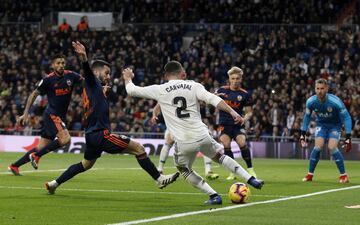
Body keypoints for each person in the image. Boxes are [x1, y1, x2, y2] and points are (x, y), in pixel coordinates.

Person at [45, 42, 179, 194]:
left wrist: (102, 92)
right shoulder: (91, 80)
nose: (109, 77)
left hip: (91, 135)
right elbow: (88, 72)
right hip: (101, 134)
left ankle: (54, 183)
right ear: (97, 73)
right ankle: (159, 179)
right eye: (106, 73)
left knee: (85, 164)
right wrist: (84, 57)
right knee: (139, 149)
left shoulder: (94, 88)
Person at [123, 60, 264, 205]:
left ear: (166, 75)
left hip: (184, 141)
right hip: (202, 135)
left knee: (183, 168)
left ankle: (214, 195)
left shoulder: (160, 89)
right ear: (182, 73)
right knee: (220, 157)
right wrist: (234, 113)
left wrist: (128, 77)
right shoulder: (194, 85)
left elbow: (131, 90)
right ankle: (251, 179)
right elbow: (213, 99)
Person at [8, 54, 83, 175]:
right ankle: (36, 156)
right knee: (65, 139)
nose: (61, 65)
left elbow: (86, 82)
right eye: (58, 63)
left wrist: (99, 87)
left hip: (58, 116)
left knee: (41, 147)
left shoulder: (71, 75)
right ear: (53, 65)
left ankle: (14, 166)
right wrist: (25, 113)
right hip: (52, 115)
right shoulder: (48, 79)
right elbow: (33, 95)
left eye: (63, 63)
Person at [300, 78, 352, 183]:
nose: (320, 91)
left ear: (327, 88)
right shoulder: (311, 101)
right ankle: (310, 174)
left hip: (335, 126)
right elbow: (306, 117)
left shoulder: (335, 101)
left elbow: (347, 117)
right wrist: (302, 134)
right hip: (321, 125)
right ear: (315, 89)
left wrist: (348, 137)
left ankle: (343, 176)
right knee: (318, 147)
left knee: (331, 147)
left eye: (322, 88)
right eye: (317, 88)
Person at [151, 103, 219, 180]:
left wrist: (154, 115)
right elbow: (159, 104)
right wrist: (154, 114)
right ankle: (160, 169)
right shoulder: (180, 93)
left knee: (204, 143)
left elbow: (158, 104)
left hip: (189, 125)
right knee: (168, 143)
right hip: (177, 125)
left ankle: (208, 171)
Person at [215, 66, 257, 180]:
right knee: (226, 145)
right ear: (229, 79)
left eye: (237, 78)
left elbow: (249, 112)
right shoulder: (221, 91)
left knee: (242, 143)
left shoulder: (245, 94)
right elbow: (212, 101)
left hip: (237, 124)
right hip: (224, 123)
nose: (235, 81)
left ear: (241, 79)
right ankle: (232, 172)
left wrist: (244, 119)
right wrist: (213, 98)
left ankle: (250, 169)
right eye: (233, 78)